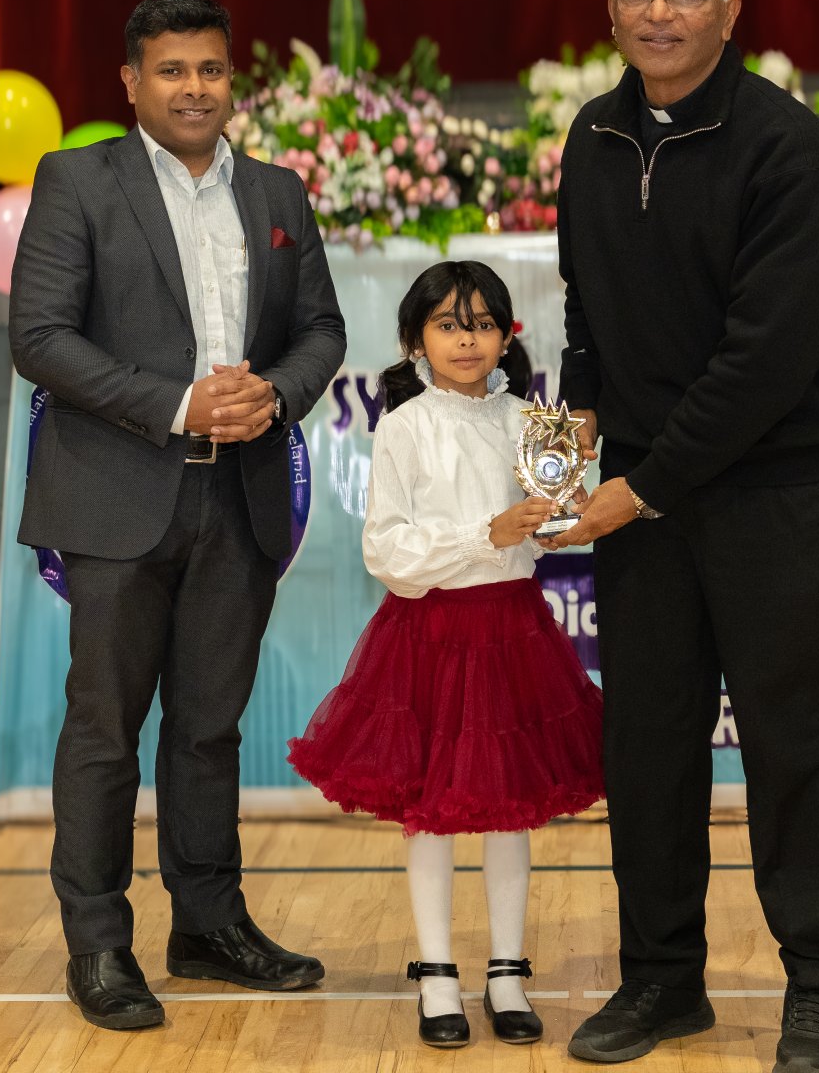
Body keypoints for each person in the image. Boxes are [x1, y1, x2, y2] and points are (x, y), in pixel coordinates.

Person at [552, 0, 819, 1073]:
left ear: (730, 11)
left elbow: (764, 361)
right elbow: (586, 315)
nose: (661, 11)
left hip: (769, 492)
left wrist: (639, 487)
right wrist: (569, 445)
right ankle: (661, 979)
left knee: (792, 741)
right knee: (648, 745)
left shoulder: (784, 144)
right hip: (643, 499)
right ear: (612, 10)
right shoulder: (592, 136)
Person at [8, 0, 346, 1031]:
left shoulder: (280, 192)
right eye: (171, 70)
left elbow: (322, 332)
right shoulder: (77, 180)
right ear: (131, 82)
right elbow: (41, 338)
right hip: (117, 495)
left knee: (208, 729)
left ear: (231, 78)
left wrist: (272, 394)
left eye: (209, 69)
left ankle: (207, 925)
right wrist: (179, 404)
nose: (193, 88)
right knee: (105, 729)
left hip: (240, 496)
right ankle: (98, 943)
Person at [289, 260, 604, 1048]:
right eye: (448, 325)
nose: (467, 341)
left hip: (512, 632)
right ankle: (436, 975)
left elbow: (545, 525)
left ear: (505, 335)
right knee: (428, 811)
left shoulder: (530, 422)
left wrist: (557, 518)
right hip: (427, 635)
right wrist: (482, 534)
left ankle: (505, 973)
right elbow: (386, 551)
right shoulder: (404, 426)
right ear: (415, 338)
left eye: (483, 325)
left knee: (509, 809)